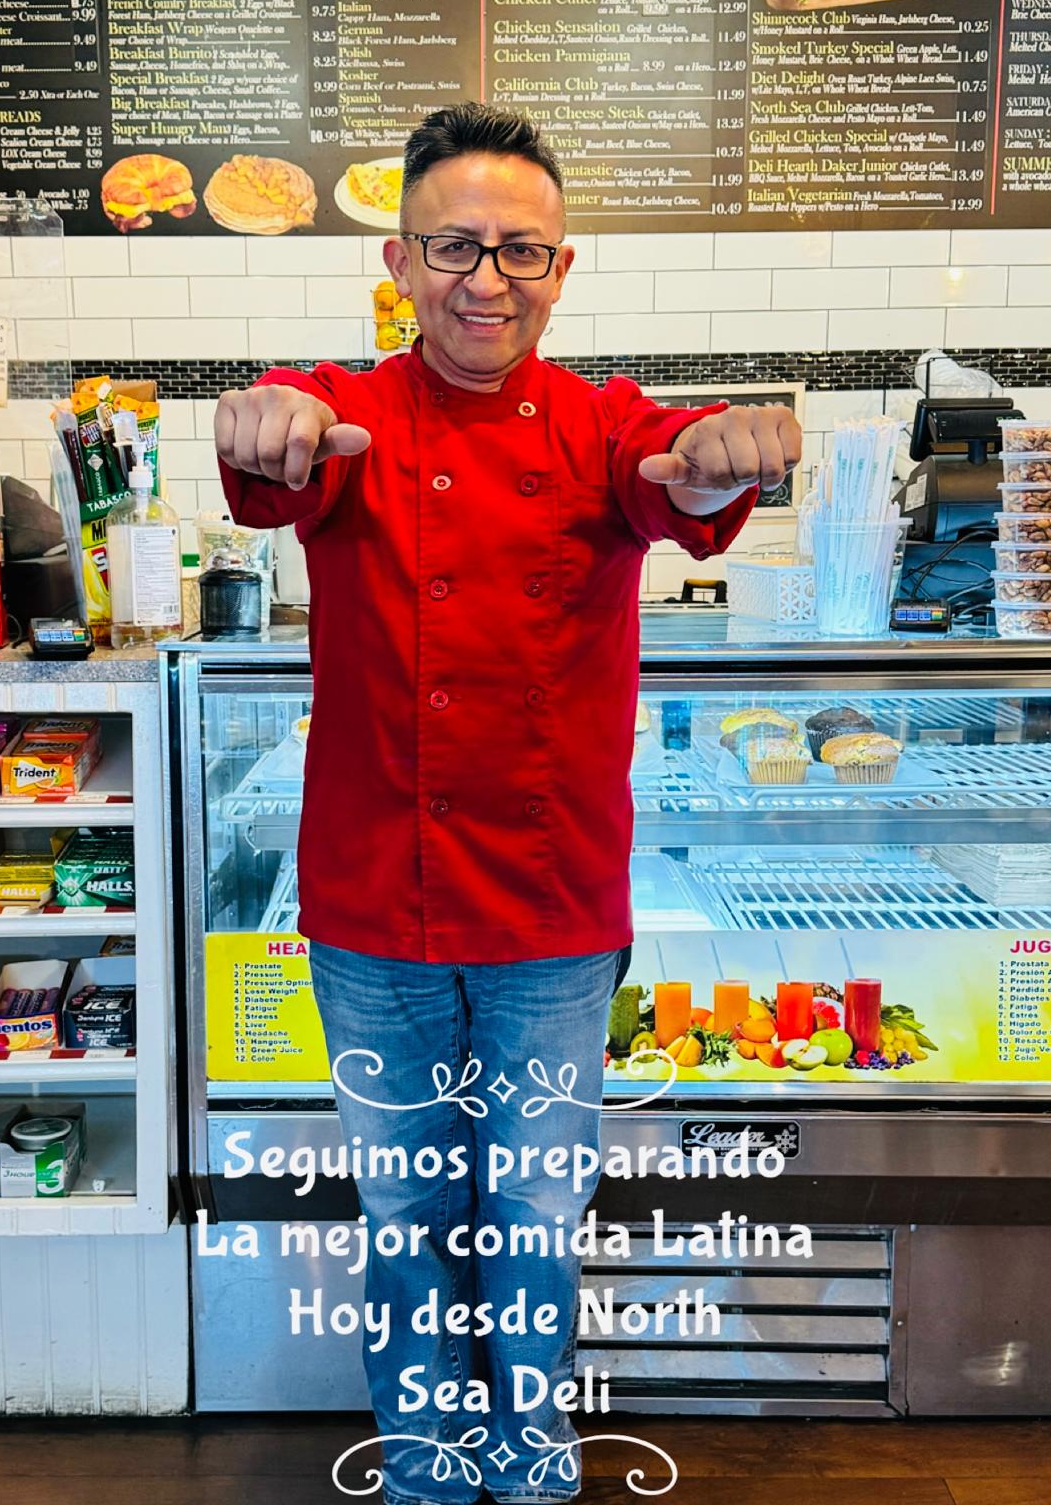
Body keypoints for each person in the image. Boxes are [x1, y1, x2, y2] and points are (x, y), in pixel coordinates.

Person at [214, 103, 800, 1505]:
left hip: (551, 916)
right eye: (454, 247)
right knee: (405, 1211)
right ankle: (425, 1465)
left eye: (520, 250)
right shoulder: (346, 417)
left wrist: (729, 445)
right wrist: (261, 416)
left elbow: (681, 468)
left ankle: (532, 1461)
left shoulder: (603, 424)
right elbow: (270, 447)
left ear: (561, 267)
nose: (487, 279)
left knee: (534, 1213)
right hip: (376, 907)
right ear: (401, 264)